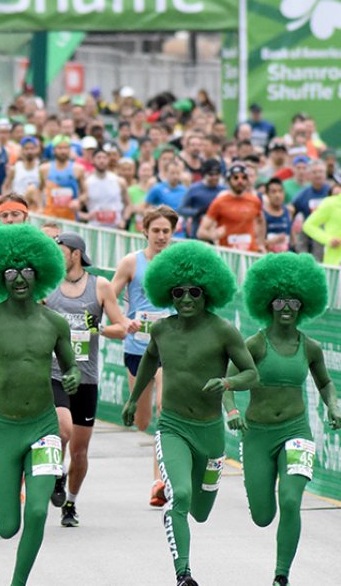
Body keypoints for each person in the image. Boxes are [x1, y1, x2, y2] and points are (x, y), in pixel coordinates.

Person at [0, 223, 80, 586]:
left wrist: (72, 378)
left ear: (40, 273)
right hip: (3, 430)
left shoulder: (55, 323)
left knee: (37, 511)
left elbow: (71, 367)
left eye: (27, 271)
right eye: (9, 272)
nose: (19, 279)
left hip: (44, 427)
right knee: (6, 526)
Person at [122, 240, 259, 586]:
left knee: (201, 511)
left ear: (207, 293)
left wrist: (227, 383)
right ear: (168, 293)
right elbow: (149, 361)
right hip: (172, 427)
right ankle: (183, 573)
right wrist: (133, 400)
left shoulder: (223, 330)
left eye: (194, 291)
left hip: (210, 434)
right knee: (179, 496)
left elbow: (251, 373)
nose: (186, 298)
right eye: (178, 292)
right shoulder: (161, 329)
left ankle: (194, 520)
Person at [225, 253, 340, 586]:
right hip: (257, 436)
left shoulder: (311, 348)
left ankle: (281, 575)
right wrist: (232, 411)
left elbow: (325, 383)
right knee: (263, 516)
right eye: (279, 302)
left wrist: (333, 405)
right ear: (268, 304)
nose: (286, 308)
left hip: (296, 431)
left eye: (293, 302)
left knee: (290, 500)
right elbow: (227, 384)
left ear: (304, 305)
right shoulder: (254, 345)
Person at [47, 232, 128, 526]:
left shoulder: (100, 286)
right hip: (55, 373)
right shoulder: (49, 285)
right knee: (62, 430)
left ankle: (70, 503)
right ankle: (57, 472)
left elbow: (122, 328)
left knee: (80, 451)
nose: (57, 258)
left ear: (76, 254)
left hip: (86, 377)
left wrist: (99, 328)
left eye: (61, 252)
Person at [110, 205, 178, 506]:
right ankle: (159, 476)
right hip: (138, 347)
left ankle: (159, 482)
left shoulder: (178, 263)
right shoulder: (131, 262)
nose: (161, 236)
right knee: (142, 420)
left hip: (169, 348)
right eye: (156, 231)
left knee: (165, 408)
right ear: (145, 232)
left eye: (166, 231)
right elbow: (109, 297)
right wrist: (124, 321)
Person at [198, 163, 265, 253]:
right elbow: (201, 232)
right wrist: (213, 235)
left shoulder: (254, 201)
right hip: (228, 253)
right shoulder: (219, 202)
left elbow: (261, 221)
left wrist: (261, 243)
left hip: (250, 253)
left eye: (244, 178)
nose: (240, 181)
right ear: (229, 180)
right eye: (235, 178)